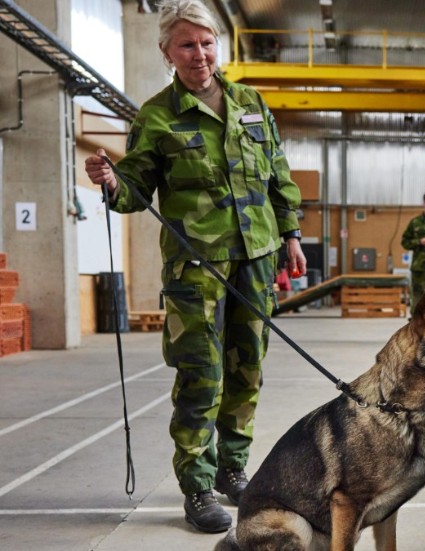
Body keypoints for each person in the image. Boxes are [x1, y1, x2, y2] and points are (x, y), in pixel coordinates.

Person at [83, 0, 305, 534]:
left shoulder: (250, 103)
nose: (199, 54)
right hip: (196, 271)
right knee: (201, 377)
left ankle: (233, 468)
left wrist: (292, 235)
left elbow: (278, 175)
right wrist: (113, 183)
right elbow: (135, 189)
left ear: (217, 45)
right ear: (167, 52)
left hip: (254, 260)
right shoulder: (157, 115)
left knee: (246, 369)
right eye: (187, 44)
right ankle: (197, 485)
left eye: (206, 43)